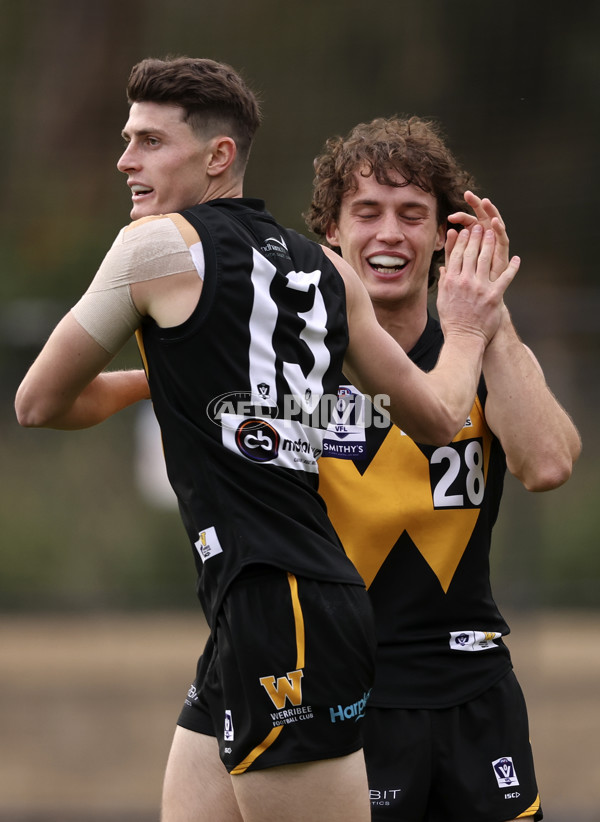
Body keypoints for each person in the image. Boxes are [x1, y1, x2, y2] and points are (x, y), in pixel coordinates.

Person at [15, 60, 519, 822]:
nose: (126, 160)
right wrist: (469, 334)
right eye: (127, 140)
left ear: (218, 157)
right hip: (271, 603)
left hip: (281, 606)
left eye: (150, 141)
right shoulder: (324, 270)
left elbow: (39, 401)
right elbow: (441, 417)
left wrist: (478, 322)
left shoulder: (151, 249)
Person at [304, 116, 582, 822]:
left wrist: (486, 315)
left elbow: (548, 463)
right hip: (344, 697)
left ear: (443, 236)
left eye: (412, 215)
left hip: (474, 693)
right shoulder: (297, 358)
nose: (389, 234)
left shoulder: (477, 346)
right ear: (332, 232)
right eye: (366, 212)